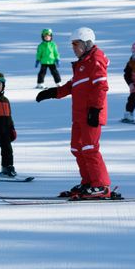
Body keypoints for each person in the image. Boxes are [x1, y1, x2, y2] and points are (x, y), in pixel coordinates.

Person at [36, 26, 111, 199]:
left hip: (90, 114)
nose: (73, 48)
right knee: (77, 148)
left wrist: (95, 109)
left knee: (90, 149)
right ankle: (89, 182)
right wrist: (52, 93)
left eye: (76, 44)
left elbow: (101, 86)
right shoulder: (82, 64)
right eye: (72, 45)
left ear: (86, 43)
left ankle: (101, 186)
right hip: (79, 115)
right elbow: (73, 85)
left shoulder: (95, 60)